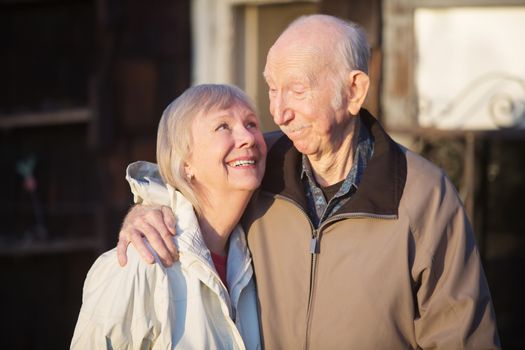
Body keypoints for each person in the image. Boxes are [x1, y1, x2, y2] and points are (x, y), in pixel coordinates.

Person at [117, 14, 501, 349]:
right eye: (271, 88)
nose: (278, 112)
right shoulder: (257, 166)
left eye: (297, 90)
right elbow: (189, 175)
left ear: (353, 91)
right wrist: (149, 210)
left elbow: (463, 339)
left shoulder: (423, 194)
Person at [71, 84, 265, 349]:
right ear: (186, 163)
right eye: (223, 126)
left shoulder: (256, 261)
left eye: (252, 124)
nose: (248, 138)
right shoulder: (138, 262)